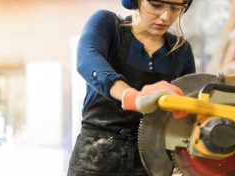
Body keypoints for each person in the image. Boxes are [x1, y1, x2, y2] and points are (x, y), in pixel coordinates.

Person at [68, 0, 195, 175]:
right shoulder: (108, 25)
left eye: (174, 8)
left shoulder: (180, 51)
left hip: (151, 162)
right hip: (95, 158)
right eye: (157, 5)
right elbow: (87, 60)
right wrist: (132, 97)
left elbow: (184, 116)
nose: (166, 17)